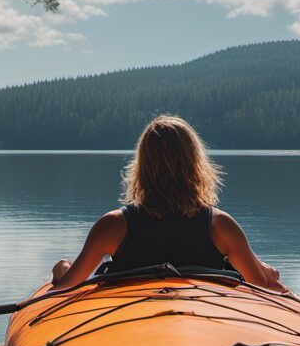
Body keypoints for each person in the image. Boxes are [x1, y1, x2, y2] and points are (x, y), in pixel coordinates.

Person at [49, 115, 286, 293]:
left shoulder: (113, 226)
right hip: (204, 323)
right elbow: (261, 285)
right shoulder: (220, 225)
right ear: (196, 166)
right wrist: (265, 270)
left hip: (130, 329)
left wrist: (62, 269)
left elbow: (67, 287)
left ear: (142, 167)